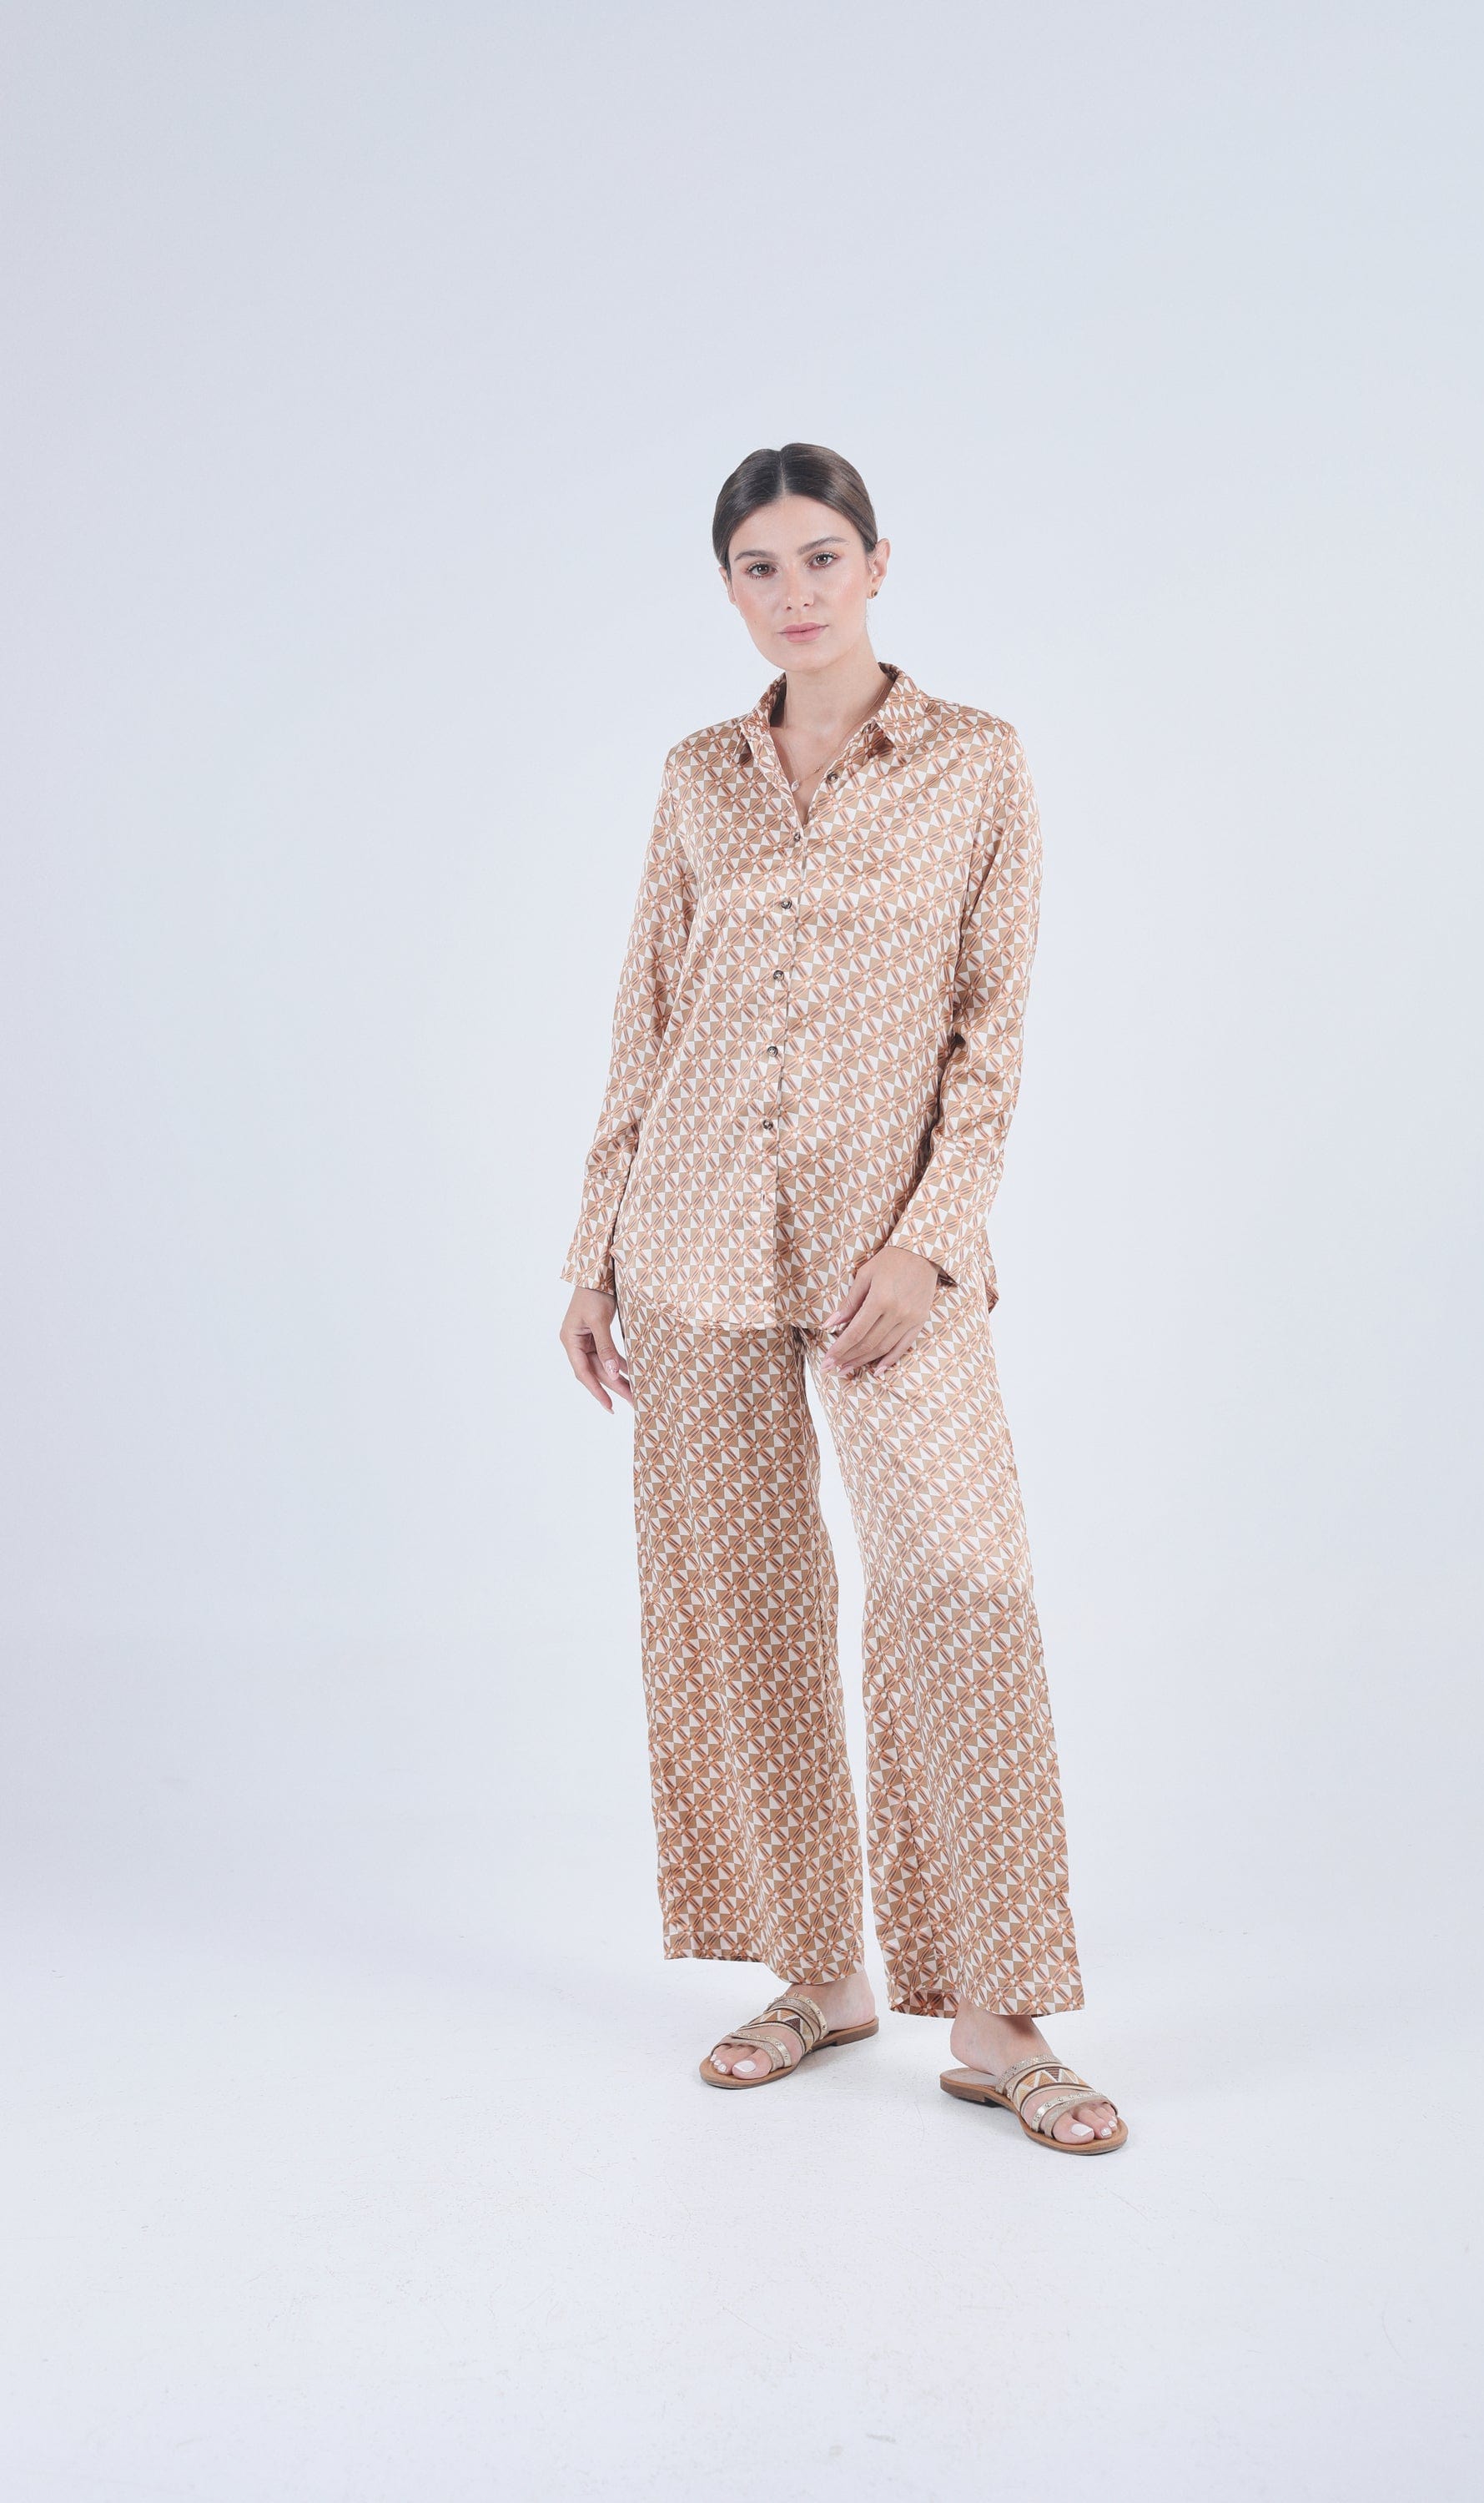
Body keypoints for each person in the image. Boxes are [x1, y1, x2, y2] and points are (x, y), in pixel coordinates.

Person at [557, 443, 1125, 2155]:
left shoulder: (975, 762)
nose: (794, 591)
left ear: (878, 563)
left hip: (892, 1258)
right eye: (759, 567)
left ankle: (996, 2013)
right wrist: (592, 1250)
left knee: (957, 1583)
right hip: (693, 1234)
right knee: (739, 1603)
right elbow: (647, 1011)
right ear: (728, 589)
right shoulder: (699, 775)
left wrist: (931, 1241)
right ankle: (818, 1975)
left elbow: (992, 1029)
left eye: (820, 556)